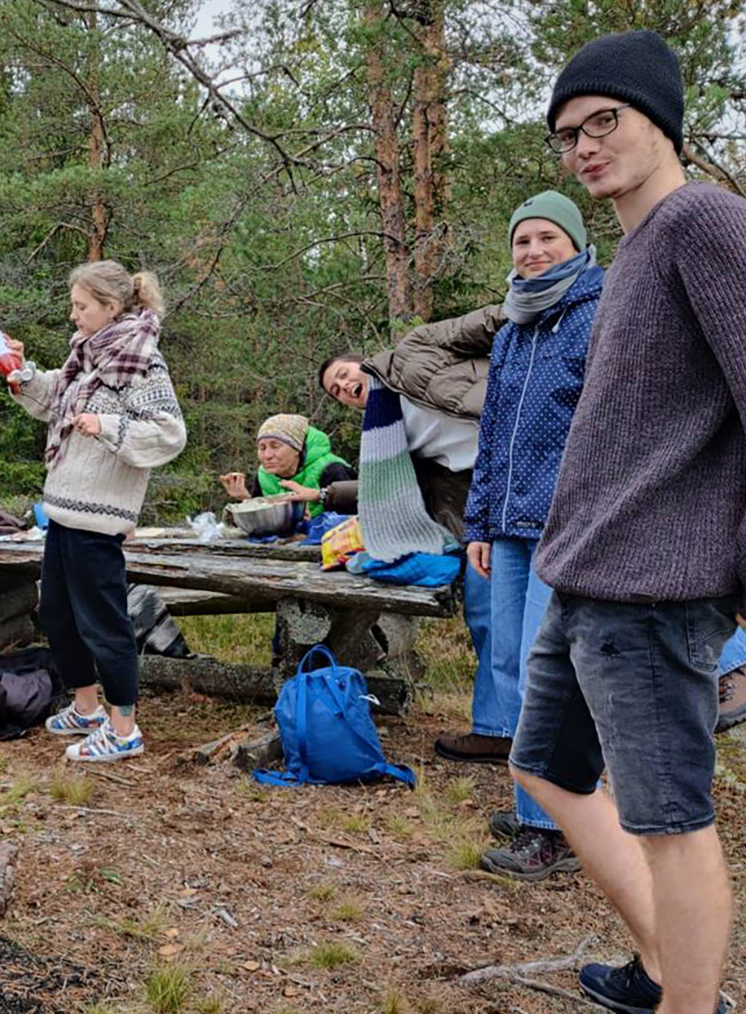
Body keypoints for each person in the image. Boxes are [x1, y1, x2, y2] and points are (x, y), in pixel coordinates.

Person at [515, 31, 746, 1014]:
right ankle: (660, 969)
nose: (583, 148)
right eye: (568, 134)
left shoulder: (702, 222)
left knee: (671, 824)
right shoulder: (634, 250)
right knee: (549, 771)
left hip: (657, 590)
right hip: (585, 581)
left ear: (661, 120)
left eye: (602, 121)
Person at [455, 191, 603, 880]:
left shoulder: (597, 314)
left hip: (568, 526)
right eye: (522, 241)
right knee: (512, 668)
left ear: (574, 244)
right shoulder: (514, 327)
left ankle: (556, 830)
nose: (534, 251)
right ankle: (534, 806)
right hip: (507, 528)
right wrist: (478, 524)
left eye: (548, 238)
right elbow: (491, 437)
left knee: (554, 679)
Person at [3, 261, 187, 761]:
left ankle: (123, 728)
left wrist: (106, 425)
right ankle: (86, 708)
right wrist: (21, 375)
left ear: (110, 307)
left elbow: (170, 433)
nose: (73, 314)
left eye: (81, 306)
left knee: (104, 623)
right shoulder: (86, 357)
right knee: (58, 615)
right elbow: (55, 403)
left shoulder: (142, 362)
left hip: (100, 519)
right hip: (62, 513)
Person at [318, 308, 503, 762]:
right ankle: (498, 729)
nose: (344, 388)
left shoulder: (413, 353)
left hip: (533, 453)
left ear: (364, 364)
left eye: (343, 375)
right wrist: (323, 495)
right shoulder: (385, 433)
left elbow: (489, 321)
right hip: (486, 504)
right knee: (487, 613)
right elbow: (390, 486)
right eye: (336, 391)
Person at [220, 413, 356, 517]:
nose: (267, 455)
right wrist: (243, 497)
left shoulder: (332, 470)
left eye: (275, 446)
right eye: (262, 448)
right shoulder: (265, 475)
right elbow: (263, 518)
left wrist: (311, 522)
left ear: (297, 448)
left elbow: (354, 520)